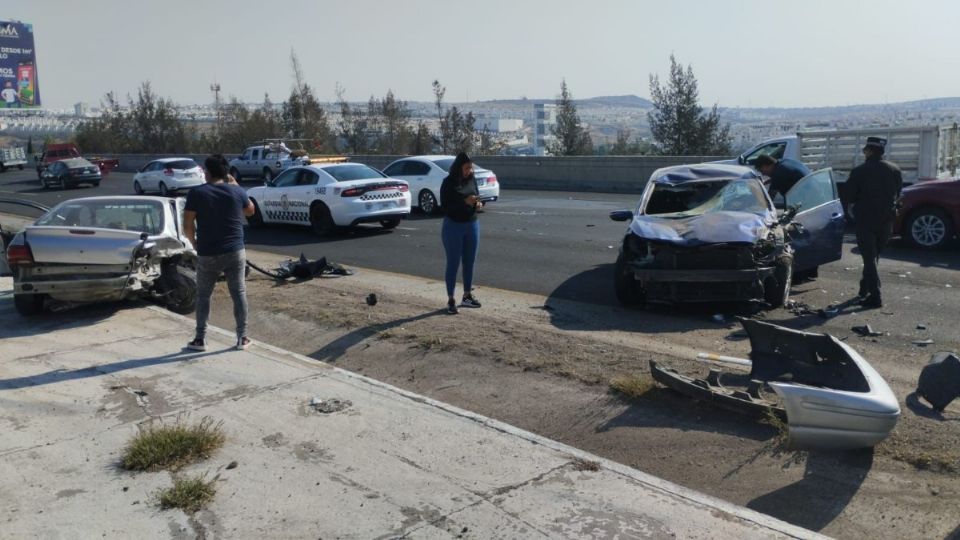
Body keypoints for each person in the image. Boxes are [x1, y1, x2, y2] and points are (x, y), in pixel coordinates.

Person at [183, 154, 256, 350]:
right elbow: (251, 211)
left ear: (208, 172)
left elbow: (187, 225)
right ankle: (242, 337)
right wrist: (235, 184)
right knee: (238, 292)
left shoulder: (197, 193)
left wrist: (194, 243)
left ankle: (200, 338)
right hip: (235, 251)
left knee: (204, 295)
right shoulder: (236, 191)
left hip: (208, 252)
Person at [846, 136, 903, 309]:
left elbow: (849, 196)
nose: (864, 153)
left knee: (869, 258)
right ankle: (864, 290)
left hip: (866, 219)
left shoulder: (859, 171)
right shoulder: (895, 169)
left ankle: (875, 297)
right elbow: (898, 192)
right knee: (873, 256)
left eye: (865, 150)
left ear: (869, 151)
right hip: (887, 219)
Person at [439, 152, 483, 314]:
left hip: (472, 224)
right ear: (458, 167)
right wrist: (464, 201)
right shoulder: (448, 183)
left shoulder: (472, 179)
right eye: (466, 168)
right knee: (453, 262)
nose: (469, 171)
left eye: (471, 168)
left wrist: (478, 204)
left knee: (469, 261)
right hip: (453, 226)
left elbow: (477, 197)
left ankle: (467, 295)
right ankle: (451, 299)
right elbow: (445, 207)